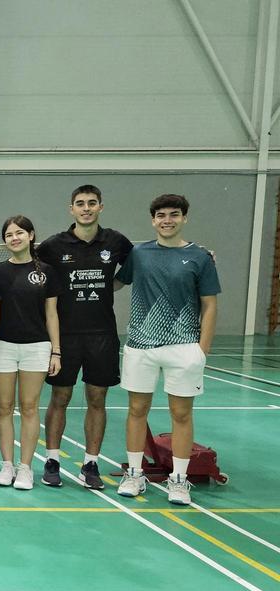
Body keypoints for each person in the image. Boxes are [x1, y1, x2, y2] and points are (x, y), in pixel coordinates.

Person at [116, 194, 219, 506]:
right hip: (140, 345)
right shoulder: (139, 253)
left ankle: (179, 479)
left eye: (174, 214)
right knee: (136, 410)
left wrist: (202, 349)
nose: (167, 220)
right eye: (161, 215)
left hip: (184, 346)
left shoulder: (200, 257)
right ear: (153, 220)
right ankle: (135, 474)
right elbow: (115, 283)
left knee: (181, 413)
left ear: (184, 218)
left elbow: (210, 304)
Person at [37, 185, 133, 488]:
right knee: (60, 396)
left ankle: (90, 464)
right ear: (71, 209)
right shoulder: (53, 245)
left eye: (92, 203)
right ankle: (52, 459)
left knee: (97, 398)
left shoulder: (116, 242)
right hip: (64, 335)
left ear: (101, 207)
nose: (86, 208)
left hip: (102, 334)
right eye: (80, 203)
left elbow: (138, 264)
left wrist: (111, 286)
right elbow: (31, 272)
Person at [0, 216, 62, 491]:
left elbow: (52, 313)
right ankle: (7, 465)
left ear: (31, 235)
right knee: (4, 407)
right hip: (2, 346)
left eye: (19, 233)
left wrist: (56, 351)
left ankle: (26, 467)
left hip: (37, 347)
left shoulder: (47, 272)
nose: (14, 238)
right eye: (9, 235)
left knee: (29, 407)